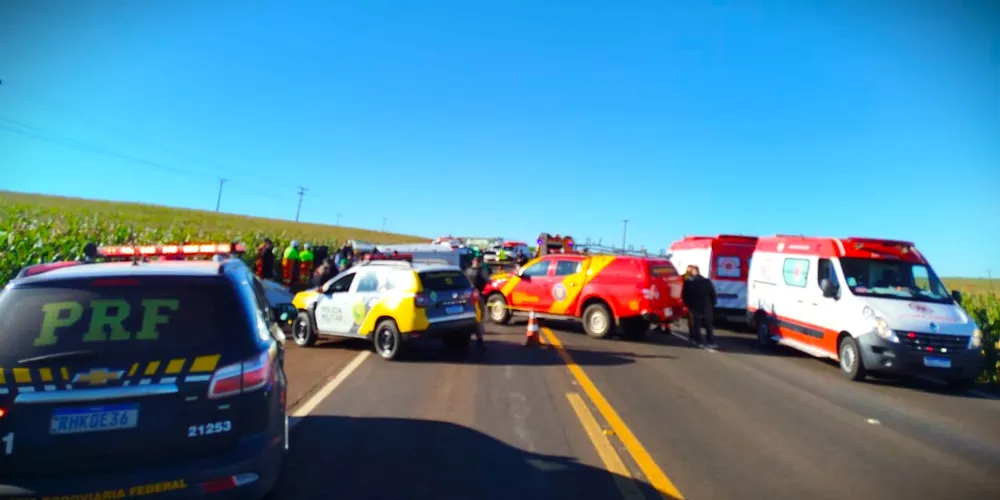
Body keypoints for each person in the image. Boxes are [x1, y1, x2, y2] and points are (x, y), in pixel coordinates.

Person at [681, 265, 718, 348]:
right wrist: (713, 303)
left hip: (695, 306)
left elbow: (685, 295)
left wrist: (688, 305)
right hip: (707, 305)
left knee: (696, 324)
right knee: (708, 324)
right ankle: (711, 341)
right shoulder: (707, 281)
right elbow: (713, 293)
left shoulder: (689, 282)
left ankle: (699, 340)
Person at [464, 256, 489, 347]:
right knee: (479, 317)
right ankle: (479, 338)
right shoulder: (481, 271)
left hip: (467, 296)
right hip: (478, 296)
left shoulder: (467, 270)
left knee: (469, 316)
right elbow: (488, 280)